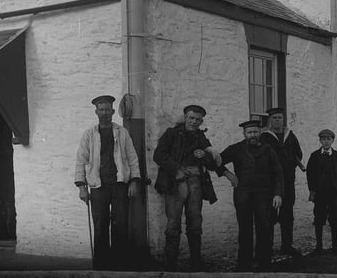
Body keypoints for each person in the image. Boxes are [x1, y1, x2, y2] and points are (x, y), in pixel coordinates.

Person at [153, 104, 229, 271]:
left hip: (195, 182)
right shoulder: (171, 134)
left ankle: (196, 261)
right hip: (175, 183)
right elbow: (158, 155)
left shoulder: (200, 137)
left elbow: (211, 163)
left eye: (198, 120)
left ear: (201, 121)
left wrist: (205, 156)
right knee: (173, 222)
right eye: (191, 118)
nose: (194, 122)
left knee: (195, 221)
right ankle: (171, 263)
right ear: (185, 117)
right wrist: (176, 169)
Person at [74, 95, 141, 270]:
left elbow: (132, 158)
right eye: (101, 109)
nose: (105, 113)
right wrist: (82, 187)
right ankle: (101, 266)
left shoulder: (122, 132)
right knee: (100, 224)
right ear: (96, 112)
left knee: (120, 224)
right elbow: (81, 160)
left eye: (108, 109)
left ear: (113, 111)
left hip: (119, 185)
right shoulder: (89, 134)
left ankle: (118, 266)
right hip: (98, 186)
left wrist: (134, 181)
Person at [218, 120, 283, 271]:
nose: (253, 135)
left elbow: (278, 173)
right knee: (245, 228)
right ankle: (244, 263)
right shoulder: (236, 149)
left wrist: (278, 194)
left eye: (255, 132)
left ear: (260, 133)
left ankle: (264, 262)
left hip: (264, 195)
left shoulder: (268, 150)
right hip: (243, 194)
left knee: (265, 227)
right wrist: (227, 174)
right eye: (249, 132)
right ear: (244, 134)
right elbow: (215, 161)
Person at [259, 107, 304, 257]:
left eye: (280, 118)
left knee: (287, 214)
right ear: (269, 120)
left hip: (288, 181)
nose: (278, 120)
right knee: (269, 215)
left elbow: (299, 153)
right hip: (270, 183)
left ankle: (287, 246)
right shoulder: (264, 137)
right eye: (275, 118)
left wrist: (291, 160)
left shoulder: (290, 136)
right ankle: (267, 247)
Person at [306, 129, 337, 255]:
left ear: (333, 140)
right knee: (319, 219)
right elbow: (310, 174)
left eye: (328, 139)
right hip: (320, 193)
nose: (326, 142)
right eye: (323, 139)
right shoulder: (314, 155)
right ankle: (319, 246)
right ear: (320, 140)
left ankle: (335, 246)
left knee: (334, 219)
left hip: (334, 193)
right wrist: (312, 190)